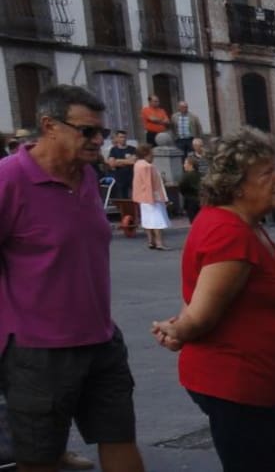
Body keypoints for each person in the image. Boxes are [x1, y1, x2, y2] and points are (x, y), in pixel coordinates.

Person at [0, 85, 146, 472]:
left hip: (101, 339)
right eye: (87, 131)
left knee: (119, 434)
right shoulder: (9, 180)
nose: (98, 140)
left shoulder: (85, 176)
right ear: (49, 126)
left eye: (101, 131)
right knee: (39, 456)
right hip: (38, 349)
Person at [150, 127, 275, 472]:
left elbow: (200, 295)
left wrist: (181, 325)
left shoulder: (245, 224)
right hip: (239, 386)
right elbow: (203, 314)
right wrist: (179, 330)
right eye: (267, 173)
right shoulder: (229, 233)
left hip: (261, 387)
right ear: (237, 185)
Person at [132, 144, 170, 251]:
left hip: (142, 197)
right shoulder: (148, 166)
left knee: (147, 220)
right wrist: (153, 198)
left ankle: (150, 241)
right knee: (157, 220)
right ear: (146, 154)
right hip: (152, 196)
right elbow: (149, 184)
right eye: (151, 153)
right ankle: (159, 242)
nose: (153, 156)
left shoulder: (137, 164)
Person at [105, 129, 138, 199]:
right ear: (117, 138)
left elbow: (133, 161)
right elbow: (112, 163)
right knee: (122, 199)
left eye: (124, 137)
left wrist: (118, 161)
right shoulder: (113, 150)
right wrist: (127, 161)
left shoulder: (132, 149)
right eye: (121, 137)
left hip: (131, 177)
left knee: (133, 198)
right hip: (119, 178)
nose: (123, 139)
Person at [179, 155, 202, 223]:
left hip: (191, 201)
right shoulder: (200, 174)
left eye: (185, 163)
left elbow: (181, 186)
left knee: (194, 221)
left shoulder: (186, 176)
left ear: (191, 165)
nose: (184, 165)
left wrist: (185, 194)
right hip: (201, 200)